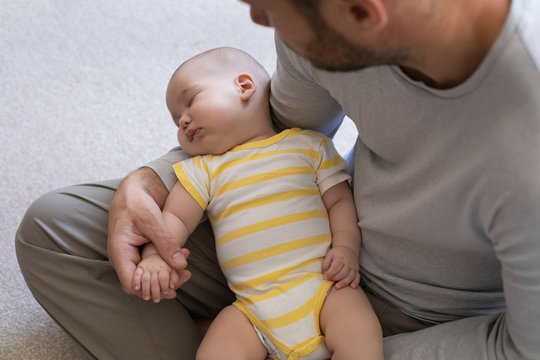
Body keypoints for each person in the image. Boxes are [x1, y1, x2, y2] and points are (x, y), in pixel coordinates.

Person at [15, 0, 540, 359]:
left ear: (362, 14)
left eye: (270, 9)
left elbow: (523, 348)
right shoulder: (325, 30)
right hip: (289, 237)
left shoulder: (526, 146)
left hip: (417, 318)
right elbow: (275, 136)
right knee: (54, 231)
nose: (260, 19)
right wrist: (148, 183)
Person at [133, 47, 383, 360]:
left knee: (360, 333)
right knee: (215, 348)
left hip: (322, 286)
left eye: (191, 100)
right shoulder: (203, 169)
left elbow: (340, 203)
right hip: (251, 310)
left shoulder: (308, 146)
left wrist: (346, 249)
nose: (182, 120)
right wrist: (156, 256)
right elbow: (176, 219)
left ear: (244, 86)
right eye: (175, 120)